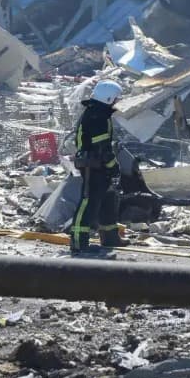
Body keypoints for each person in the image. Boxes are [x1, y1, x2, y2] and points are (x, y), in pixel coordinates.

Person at [70, 79, 130, 254]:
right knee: (88, 202)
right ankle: (78, 242)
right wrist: (113, 165)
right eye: (116, 99)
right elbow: (101, 147)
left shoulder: (99, 112)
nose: (117, 102)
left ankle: (110, 237)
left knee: (108, 199)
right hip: (93, 165)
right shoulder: (97, 116)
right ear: (109, 98)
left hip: (98, 164)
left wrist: (110, 165)